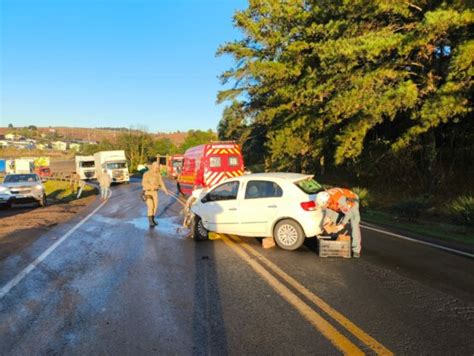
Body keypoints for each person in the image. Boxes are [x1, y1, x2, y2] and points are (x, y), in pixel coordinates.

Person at [316, 188, 361, 257]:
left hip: (352, 201)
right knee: (332, 221)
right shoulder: (326, 196)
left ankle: (356, 250)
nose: (324, 207)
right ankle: (333, 238)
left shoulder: (340, 201)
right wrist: (328, 219)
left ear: (327, 201)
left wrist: (342, 225)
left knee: (354, 224)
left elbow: (349, 213)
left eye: (324, 205)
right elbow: (329, 209)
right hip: (338, 203)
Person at [142, 161, 169, 228]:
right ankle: (150, 222)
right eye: (155, 167)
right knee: (150, 206)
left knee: (155, 207)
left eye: (157, 167)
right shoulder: (146, 174)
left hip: (155, 193)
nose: (156, 169)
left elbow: (161, 183)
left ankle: (153, 220)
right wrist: (154, 186)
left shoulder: (158, 174)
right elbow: (144, 183)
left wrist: (165, 190)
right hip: (147, 192)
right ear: (152, 167)